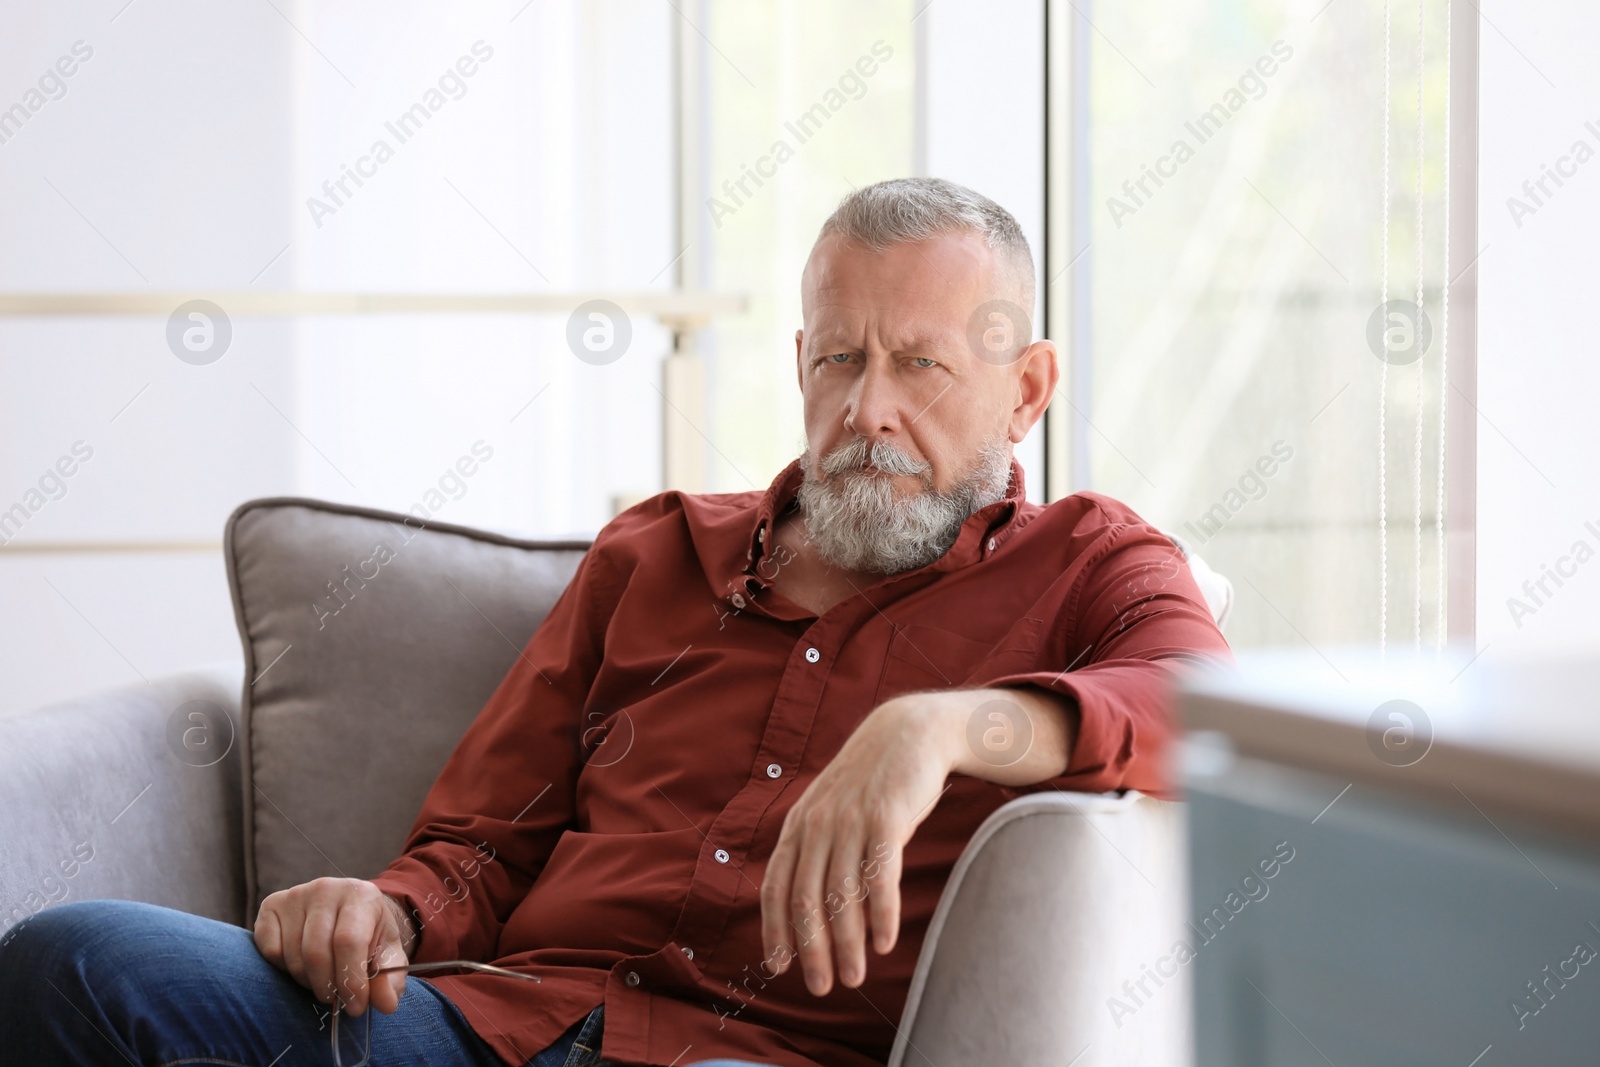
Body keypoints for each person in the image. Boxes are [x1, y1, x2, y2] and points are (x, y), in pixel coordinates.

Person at [0, 177, 1230, 1067]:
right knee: (74, 960)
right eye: (838, 360)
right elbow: (484, 838)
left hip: (754, 1057)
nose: (867, 409)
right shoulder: (656, 550)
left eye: (919, 366)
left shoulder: (1087, 564)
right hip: (483, 1026)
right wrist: (386, 910)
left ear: (1026, 389)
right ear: (799, 360)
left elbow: (1204, 712)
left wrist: (938, 728)